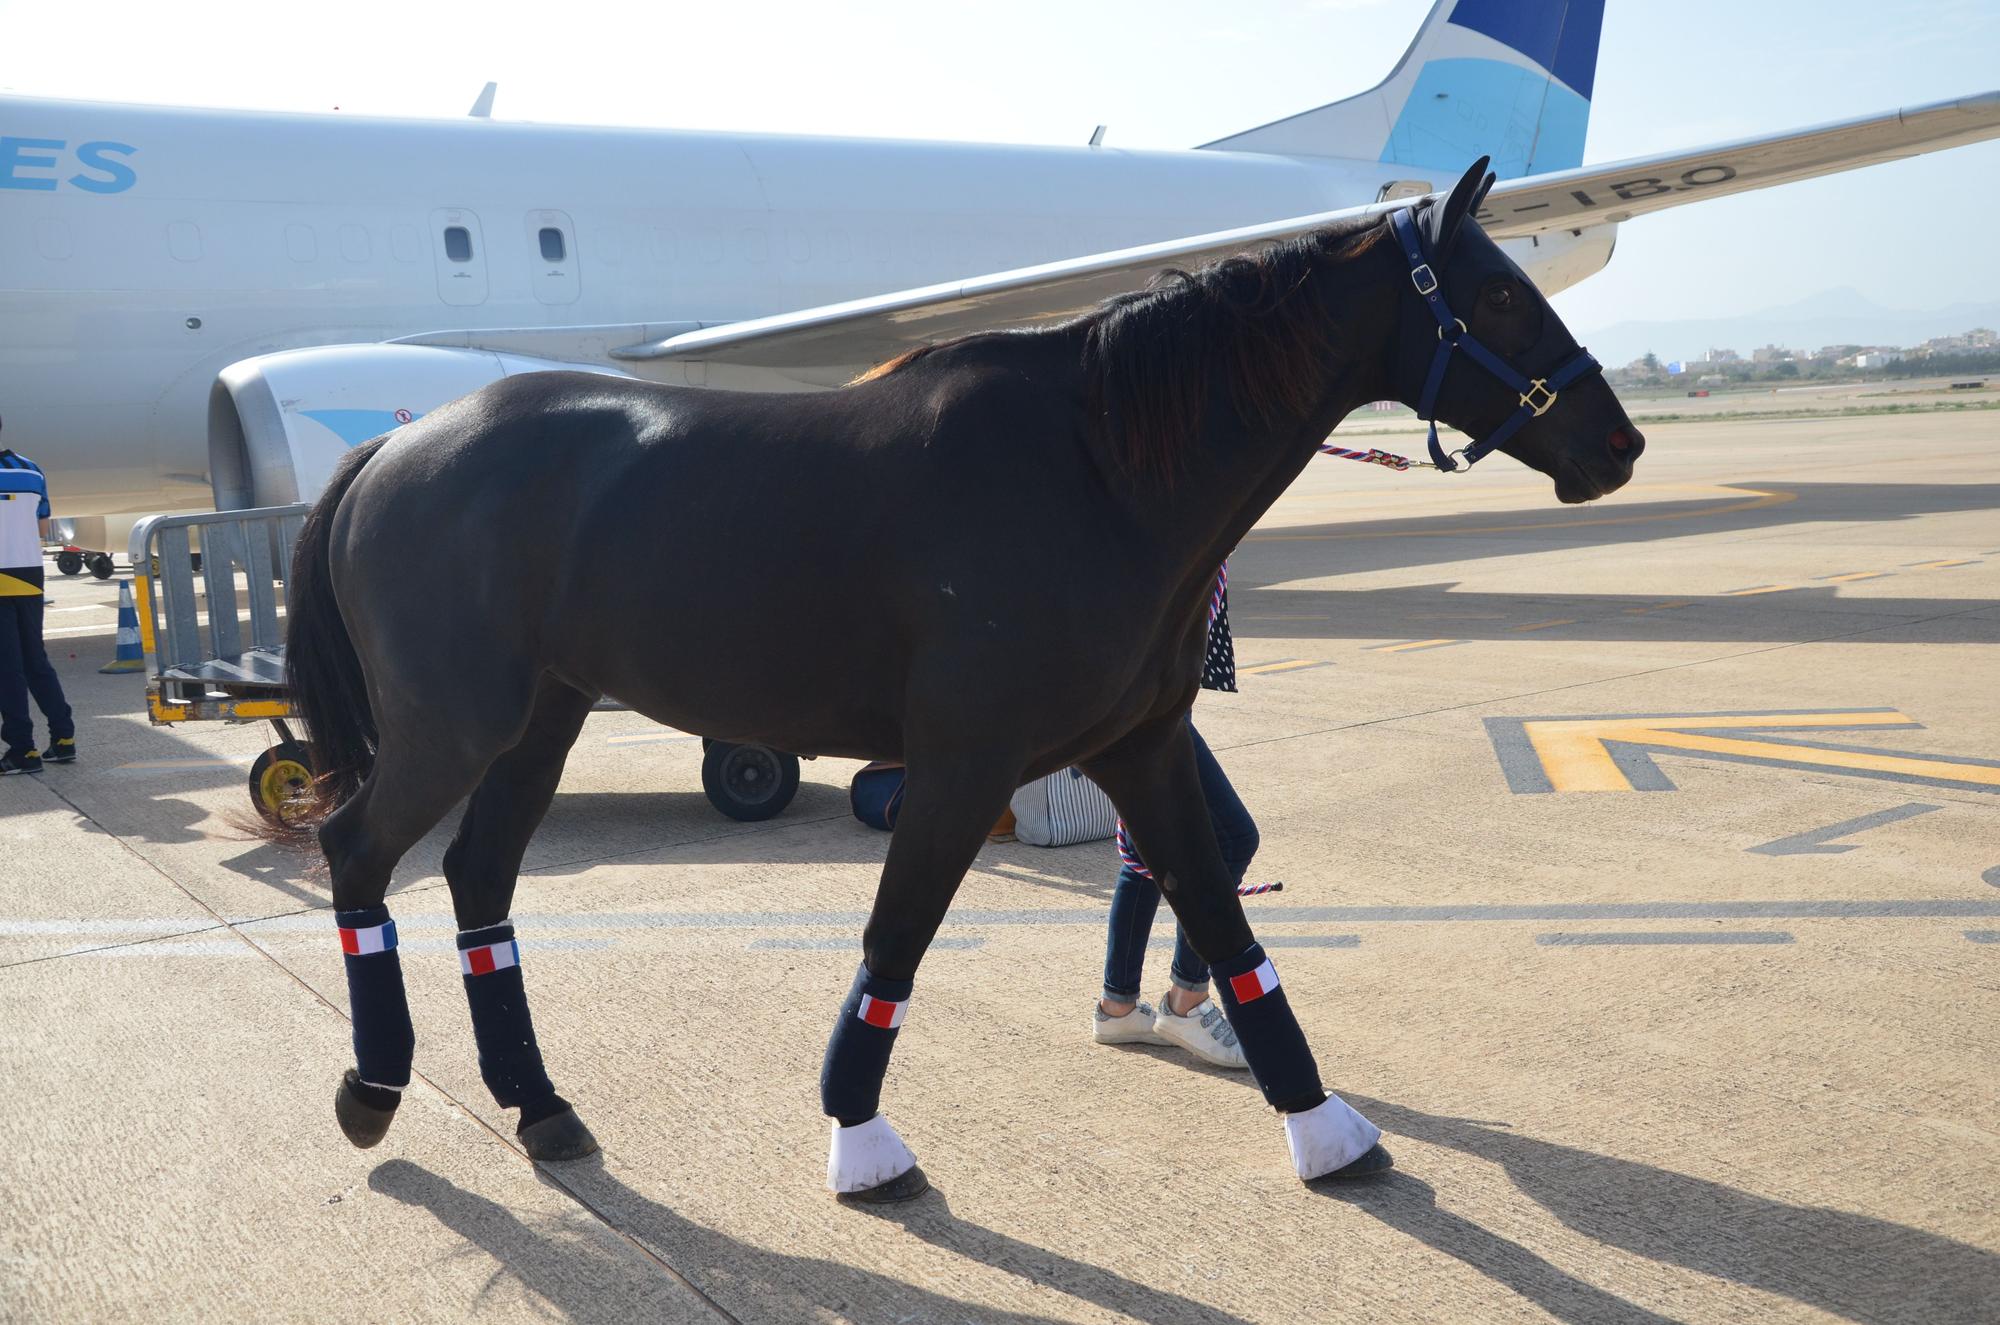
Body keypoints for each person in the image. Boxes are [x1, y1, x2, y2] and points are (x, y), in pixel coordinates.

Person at [1092, 564, 1253, 1069]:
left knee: (1143, 851)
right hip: (1143, 686)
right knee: (1233, 838)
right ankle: (1188, 998)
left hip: (1143, 680)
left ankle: (1118, 1007)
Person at [0, 422, 76, 775]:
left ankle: (22, 750)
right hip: (29, 572)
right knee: (35, 660)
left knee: (7, 668)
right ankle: (63, 738)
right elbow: (42, 528)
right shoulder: (30, 469)